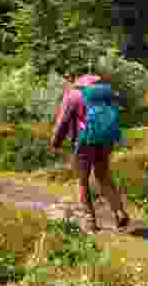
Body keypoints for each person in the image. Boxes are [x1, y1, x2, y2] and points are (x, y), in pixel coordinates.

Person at [49, 73, 131, 234]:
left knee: (82, 180)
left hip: (84, 143)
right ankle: (119, 212)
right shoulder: (106, 93)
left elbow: (63, 122)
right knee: (104, 176)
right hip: (105, 141)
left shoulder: (73, 95)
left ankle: (90, 222)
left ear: (75, 79)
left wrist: (55, 143)